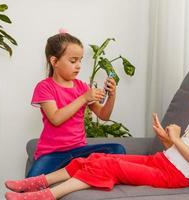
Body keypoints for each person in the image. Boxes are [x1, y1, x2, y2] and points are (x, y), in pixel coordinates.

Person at [5, 68, 189, 200]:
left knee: (109, 166)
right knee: (93, 158)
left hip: (174, 177)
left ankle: (47, 195)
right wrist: (167, 140)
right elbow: (179, 153)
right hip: (162, 163)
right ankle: (38, 182)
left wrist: (175, 139)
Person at [26, 31, 126, 178]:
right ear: (54, 62)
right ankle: (77, 173)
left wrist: (111, 95)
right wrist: (84, 98)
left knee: (117, 149)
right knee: (30, 182)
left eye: (80, 61)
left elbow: (104, 115)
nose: (78, 66)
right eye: (73, 61)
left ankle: (76, 172)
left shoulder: (82, 87)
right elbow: (55, 118)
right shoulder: (45, 87)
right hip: (52, 154)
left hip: (79, 151)